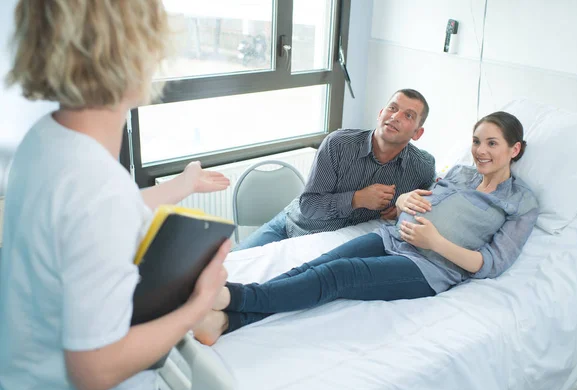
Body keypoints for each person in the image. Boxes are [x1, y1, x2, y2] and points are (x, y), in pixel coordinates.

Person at [0, 1, 230, 390]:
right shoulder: (98, 188)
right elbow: (94, 371)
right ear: (129, 48)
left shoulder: (45, 141)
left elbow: (91, 216)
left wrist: (182, 184)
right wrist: (200, 303)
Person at [193, 111, 540, 345]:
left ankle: (232, 296)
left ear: (515, 149)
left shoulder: (520, 202)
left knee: (339, 275)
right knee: (317, 265)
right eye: (477, 141)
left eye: (491, 143)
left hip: (428, 267)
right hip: (392, 238)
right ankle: (227, 322)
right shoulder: (460, 174)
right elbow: (419, 198)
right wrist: (403, 202)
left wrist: (434, 241)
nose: (480, 151)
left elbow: (492, 264)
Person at [235, 88, 436, 251]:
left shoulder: (423, 167)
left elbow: (424, 213)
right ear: (380, 114)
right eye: (392, 108)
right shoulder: (339, 144)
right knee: (229, 267)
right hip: (294, 226)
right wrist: (357, 199)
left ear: (417, 133)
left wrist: (401, 212)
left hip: (339, 243)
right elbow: (309, 205)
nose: (396, 116)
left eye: (408, 115)